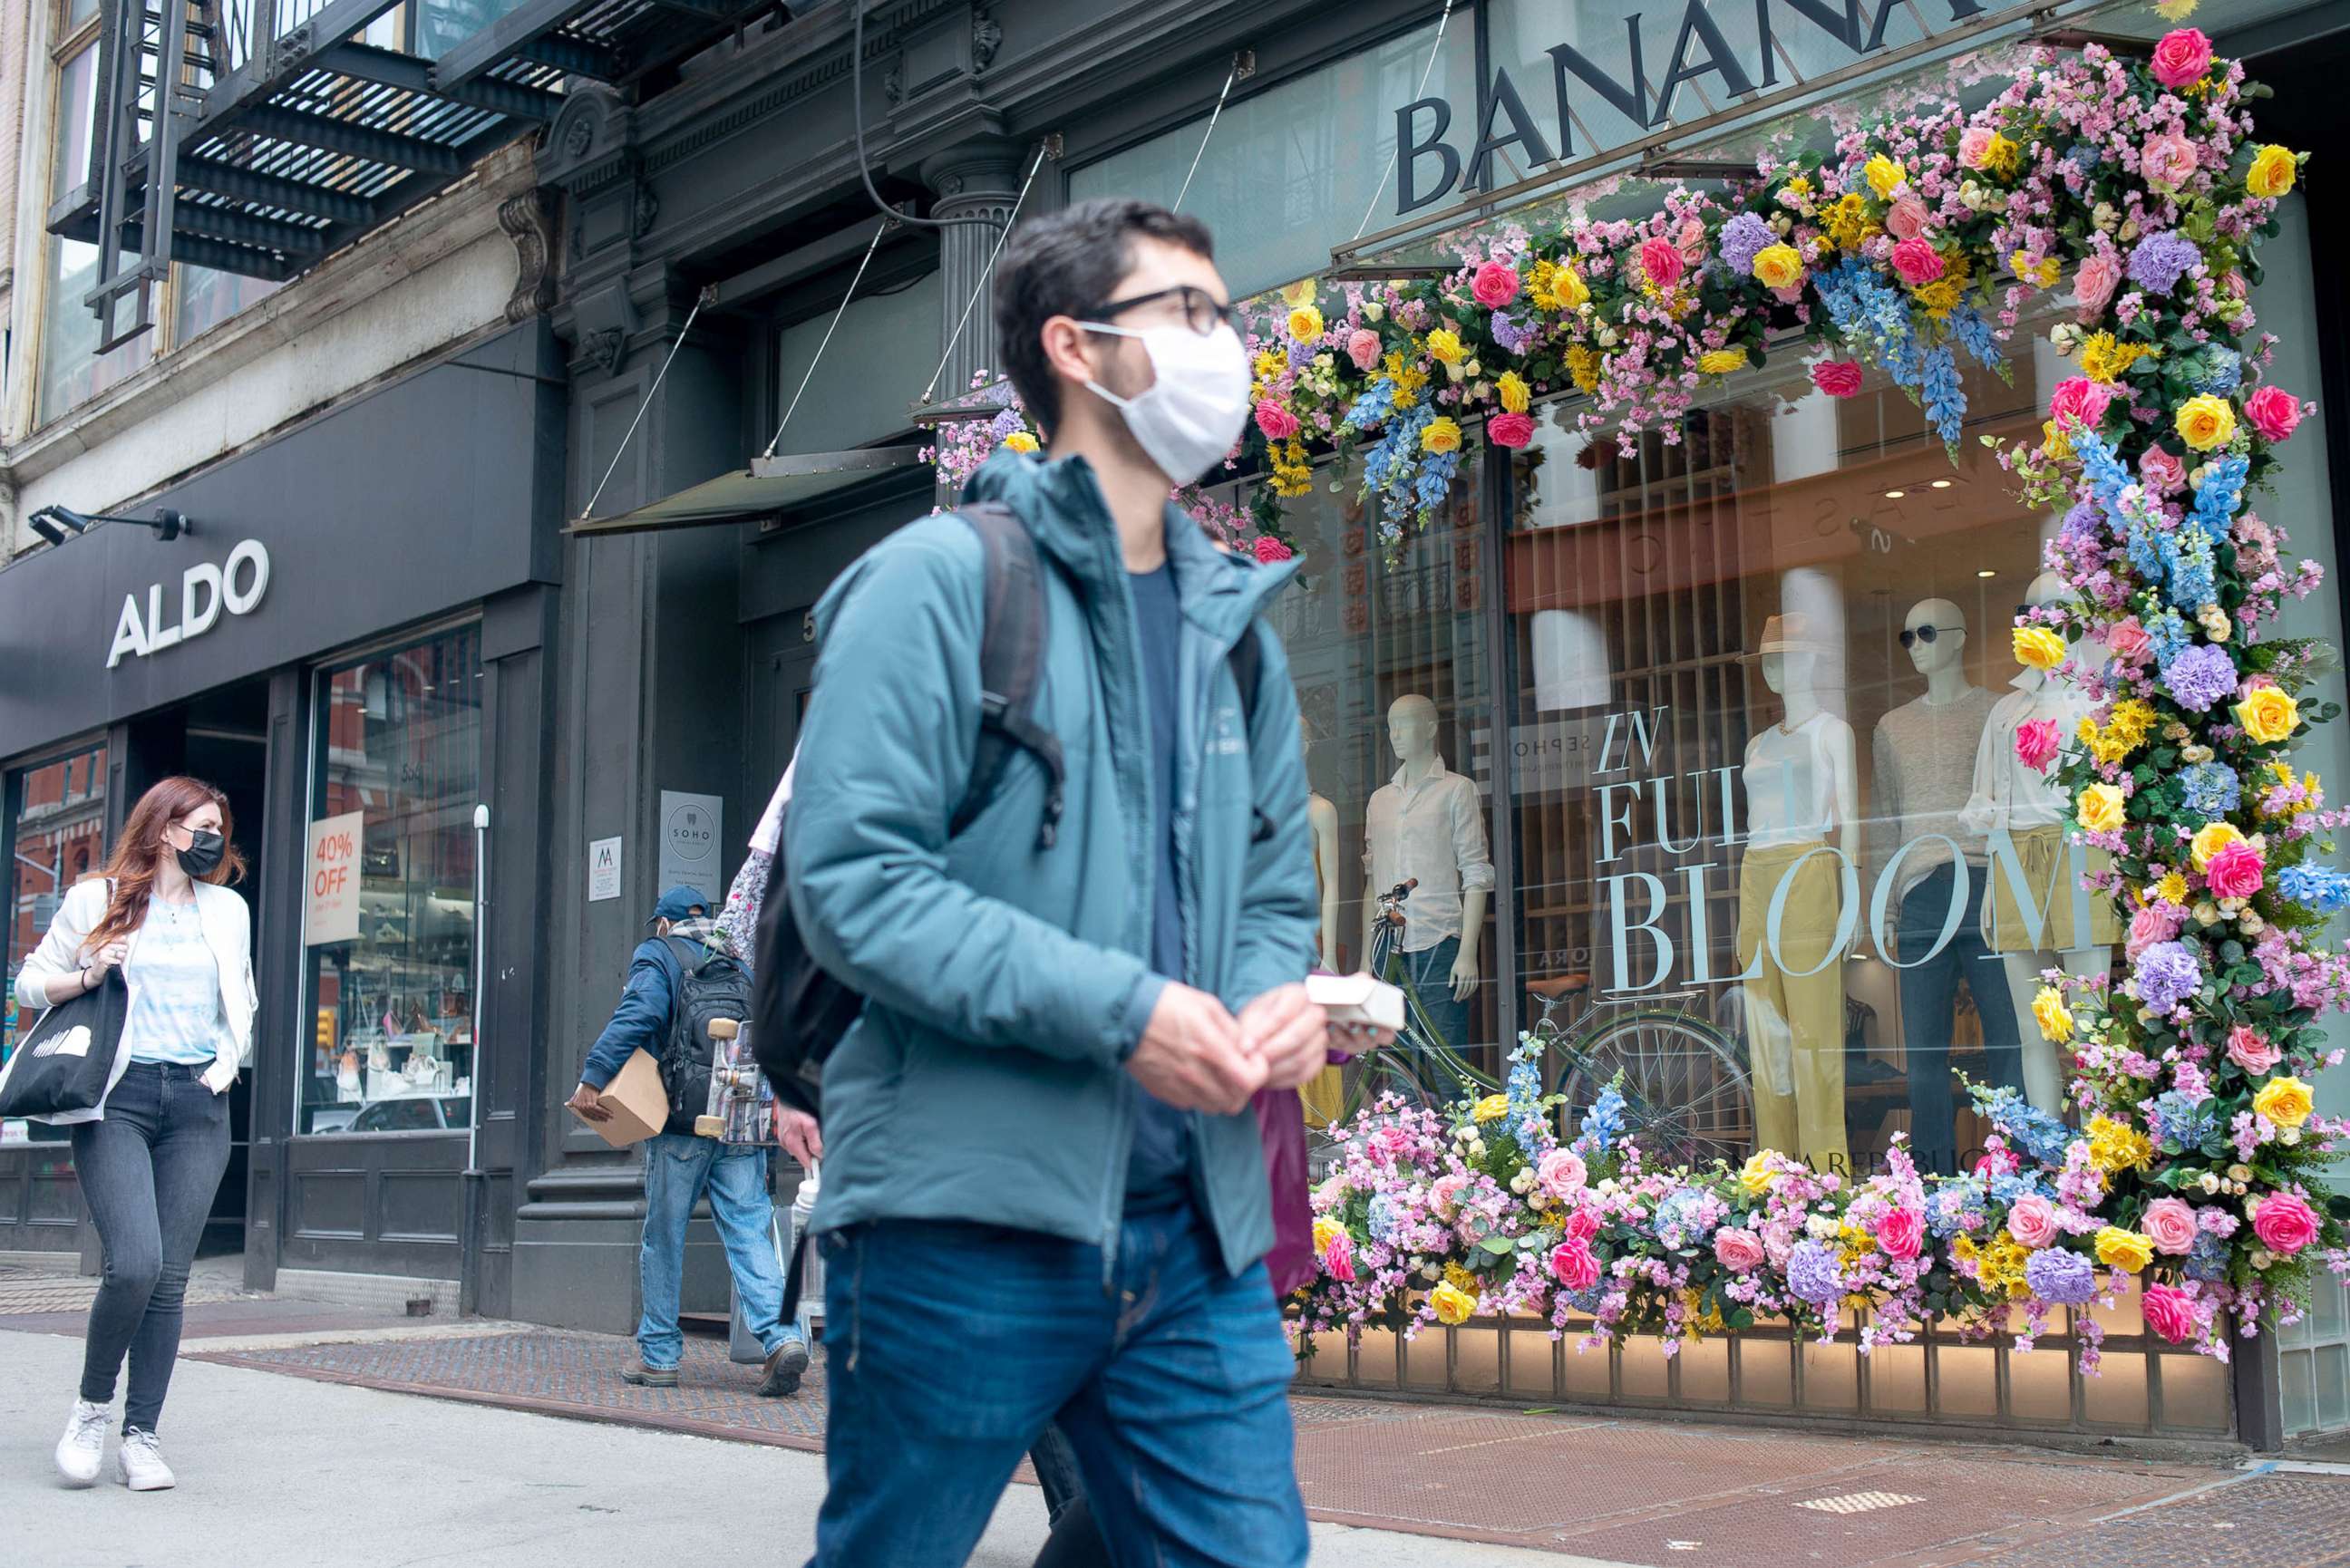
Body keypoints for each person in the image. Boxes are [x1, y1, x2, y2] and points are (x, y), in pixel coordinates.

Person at [788, 197, 1366, 1568]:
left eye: (1230, 315)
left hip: (1193, 1232)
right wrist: (1126, 1011)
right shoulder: (933, 583)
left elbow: (1276, 890)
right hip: (958, 1222)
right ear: (1078, 348)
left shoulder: (1239, 632)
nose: (1231, 345)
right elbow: (854, 879)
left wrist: (1267, 999)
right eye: (1192, 315)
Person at [16, 777, 254, 1491]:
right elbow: (29, 983)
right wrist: (89, 972)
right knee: (135, 1264)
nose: (212, 837)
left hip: (197, 1103)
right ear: (163, 826)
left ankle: (141, 1435)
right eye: (200, 824)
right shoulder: (100, 897)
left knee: (171, 1280)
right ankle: (92, 1408)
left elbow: (238, 997)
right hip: (116, 1098)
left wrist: (225, 1065)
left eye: (219, 827)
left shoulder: (228, 908)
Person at [568, 886, 809, 1397]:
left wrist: (593, 1077)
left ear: (663, 923)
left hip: (681, 1121)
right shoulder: (740, 960)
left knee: (665, 1235)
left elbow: (637, 1016)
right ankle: (782, 1338)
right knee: (749, 1229)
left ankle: (658, 1356)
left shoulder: (660, 954)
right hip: (739, 1118)